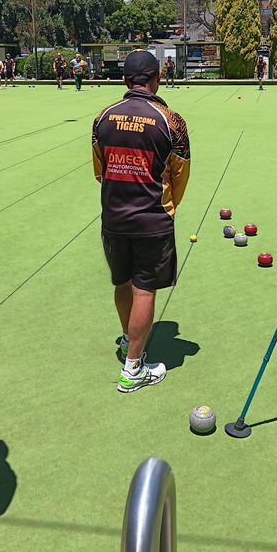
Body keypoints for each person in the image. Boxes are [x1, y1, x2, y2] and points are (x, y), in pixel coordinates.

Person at [92, 50, 190, 393]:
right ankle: (134, 368)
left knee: (122, 282)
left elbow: (100, 172)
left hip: (113, 219)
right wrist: (166, 205)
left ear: (124, 80)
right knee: (144, 287)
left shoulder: (103, 118)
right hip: (152, 220)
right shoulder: (170, 120)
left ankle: (128, 342)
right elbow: (180, 175)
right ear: (157, 79)